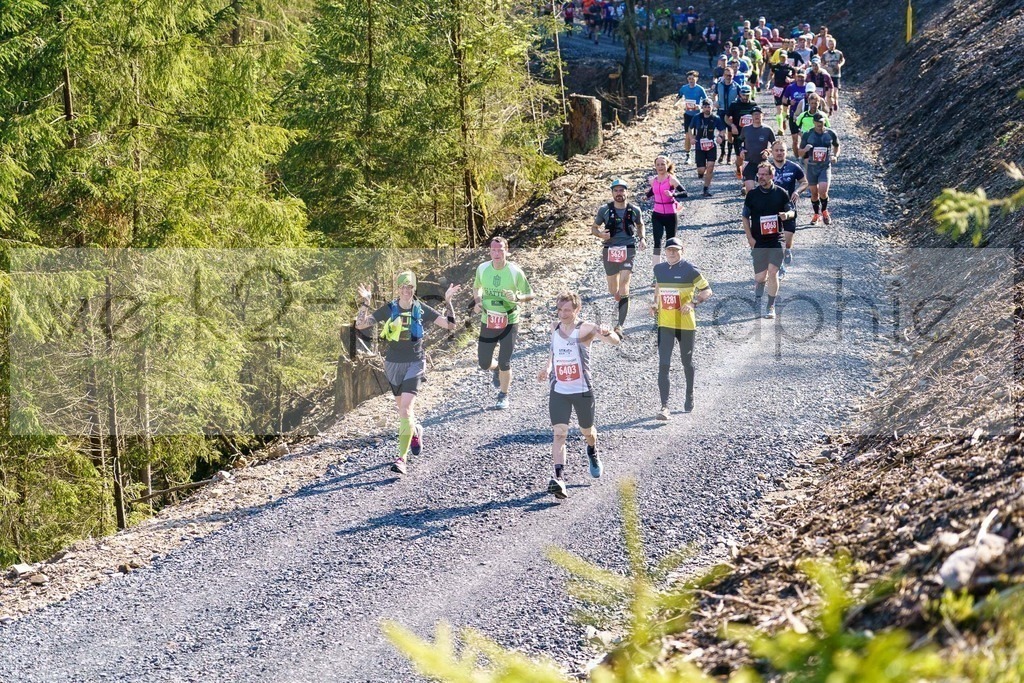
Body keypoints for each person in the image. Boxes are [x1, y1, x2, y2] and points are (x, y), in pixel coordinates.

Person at [355, 273, 461, 474]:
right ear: (398, 289)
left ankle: (401, 459)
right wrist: (366, 302)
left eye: (410, 287)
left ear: (414, 289)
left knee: (405, 410)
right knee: (405, 413)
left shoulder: (421, 309)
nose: (406, 290)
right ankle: (415, 431)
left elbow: (450, 325)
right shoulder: (390, 308)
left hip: (415, 362)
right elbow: (361, 325)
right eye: (403, 286)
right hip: (393, 364)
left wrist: (448, 302)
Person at [537, 291, 621, 499]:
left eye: (567, 310)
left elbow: (616, 342)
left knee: (587, 431)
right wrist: (547, 369)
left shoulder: (586, 329)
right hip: (559, 391)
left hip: (583, 391)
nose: (562, 314)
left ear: (577, 310)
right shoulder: (554, 327)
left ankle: (592, 450)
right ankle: (559, 479)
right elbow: (553, 350)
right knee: (559, 433)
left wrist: (608, 332)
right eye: (559, 309)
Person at [651, 237, 712, 419]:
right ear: (665, 251)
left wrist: (693, 303)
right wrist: (654, 304)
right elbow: (659, 287)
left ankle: (689, 394)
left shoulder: (690, 269)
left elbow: (707, 290)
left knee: (687, 362)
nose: (671, 253)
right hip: (665, 324)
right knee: (663, 364)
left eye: (675, 250)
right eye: (669, 250)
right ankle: (664, 407)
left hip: (685, 324)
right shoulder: (659, 269)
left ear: (682, 251)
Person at [473, 237, 535, 410]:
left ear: (507, 251)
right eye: (493, 250)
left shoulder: (515, 272)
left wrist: (517, 297)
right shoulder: (483, 268)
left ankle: (503, 395)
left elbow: (530, 294)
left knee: (505, 361)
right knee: (484, 362)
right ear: (489, 251)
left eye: (500, 250)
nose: (497, 253)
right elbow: (476, 287)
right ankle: (495, 369)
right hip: (489, 320)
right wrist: (478, 301)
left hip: (510, 321)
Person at [592, 179, 647, 336]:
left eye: (622, 190)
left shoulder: (635, 210)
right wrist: (600, 234)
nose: (619, 193)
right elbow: (594, 228)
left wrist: (642, 238)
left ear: (626, 192)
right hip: (610, 249)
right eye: (616, 191)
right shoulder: (604, 210)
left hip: (628, 249)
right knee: (613, 289)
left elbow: (640, 224)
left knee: (624, 285)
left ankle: (619, 326)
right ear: (612, 193)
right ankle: (619, 297)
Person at [743, 161, 795, 319]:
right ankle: (760, 290)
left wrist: (787, 215)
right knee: (760, 277)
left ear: (772, 176)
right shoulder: (751, 194)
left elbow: (792, 211)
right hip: (758, 240)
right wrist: (750, 238)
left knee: (773, 272)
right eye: (759, 174)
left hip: (775, 239)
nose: (761, 177)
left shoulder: (781, 193)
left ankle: (770, 305)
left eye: (765, 174)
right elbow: (745, 217)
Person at [768, 140, 807, 278]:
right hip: (771, 208)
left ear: (786, 152)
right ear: (772, 152)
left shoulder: (793, 167)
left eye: (782, 150)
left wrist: (797, 191)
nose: (779, 153)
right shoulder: (767, 168)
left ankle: (788, 250)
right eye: (777, 150)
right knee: (776, 239)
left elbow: (804, 182)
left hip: (789, 207)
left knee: (788, 239)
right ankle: (780, 267)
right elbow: (758, 183)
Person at [799, 112, 840, 225]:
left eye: (821, 122)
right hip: (812, 167)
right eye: (817, 122)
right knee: (814, 193)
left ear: (824, 122)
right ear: (814, 122)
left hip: (825, 167)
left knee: (823, 190)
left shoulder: (830, 133)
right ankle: (816, 215)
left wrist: (835, 156)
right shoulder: (808, 134)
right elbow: (799, 152)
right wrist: (805, 150)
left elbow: (837, 146)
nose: (819, 124)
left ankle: (825, 211)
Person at [645, 156, 687, 265]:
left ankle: (672, 266)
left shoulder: (671, 179)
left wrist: (673, 194)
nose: (660, 167)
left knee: (671, 243)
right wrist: (646, 196)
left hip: (670, 214)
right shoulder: (653, 180)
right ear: (655, 166)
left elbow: (685, 193)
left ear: (667, 165)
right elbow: (653, 191)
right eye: (658, 164)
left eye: (662, 164)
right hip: (657, 214)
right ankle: (656, 269)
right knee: (657, 242)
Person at [689, 99, 727, 196]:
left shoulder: (716, 118)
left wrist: (720, 137)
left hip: (711, 146)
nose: (707, 109)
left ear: (712, 107)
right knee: (701, 169)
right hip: (699, 146)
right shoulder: (697, 117)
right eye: (705, 107)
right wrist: (691, 138)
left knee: (710, 167)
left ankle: (706, 189)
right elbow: (690, 128)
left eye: (709, 106)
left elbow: (722, 130)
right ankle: (701, 172)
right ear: (702, 108)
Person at [739, 107, 776, 194]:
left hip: (763, 163)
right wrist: (741, 150)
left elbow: (774, 145)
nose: (757, 116)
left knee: (766, 189)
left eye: (759, 114)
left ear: (762, 116)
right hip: (749, 162)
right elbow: (739, 141)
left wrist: (768, 151)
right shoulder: (746, 129)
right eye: (755, 114)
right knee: (750, 191)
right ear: (751, 116)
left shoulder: (767, 129)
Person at [676, 71, 709, 165]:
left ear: (696, 79)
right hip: (688, 115)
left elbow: (706, 100)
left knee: (699, 135)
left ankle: (701, 155)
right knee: (688, 135)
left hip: (698, 115)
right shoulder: (684, 88)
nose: (691, 80)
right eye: (689, 79)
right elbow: (679, 96)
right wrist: (675, 104)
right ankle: (688, 155)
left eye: (692, 79)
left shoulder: (700, 89)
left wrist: (700, 106)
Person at [725, 84, 757, 180]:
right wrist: (732, 126)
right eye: (743, 95)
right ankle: (739, 169)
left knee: (749, 156)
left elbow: (758, 117)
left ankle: (747, 177)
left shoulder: (753, 105)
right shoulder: (734, 105)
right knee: (739, 157)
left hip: (751, 136)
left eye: (747, 95)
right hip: (738, 135)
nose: (745, 97)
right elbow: (726, 117)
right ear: (739, 94)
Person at [713, 68, 740, 162]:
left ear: (733, 75)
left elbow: (741, 98)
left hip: (731, 113)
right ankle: (722, 152)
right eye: (726, 75)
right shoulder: (719, 85)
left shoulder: (736, 86)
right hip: (721, 111)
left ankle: (729, 155)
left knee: (730, 134)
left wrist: (737, 106)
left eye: (730, 75)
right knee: (722, 133)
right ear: (723, 75)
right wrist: (715, 101)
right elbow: (715, 94)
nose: (728, 77)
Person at [769, 51, 795, 134]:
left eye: (784, 57)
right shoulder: (775, 67)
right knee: (778, 108)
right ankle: (780, 128)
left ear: (787, 57)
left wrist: (790, 80)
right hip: (777, 88)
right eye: (781, 57)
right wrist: (768, 82)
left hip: (787, 89)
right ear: (779, 57)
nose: (783, 59)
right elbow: (771, 74)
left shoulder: (790, 68)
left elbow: (796, 78)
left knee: (785, 108)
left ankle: (783, 119)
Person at [821, 37, 845, 110]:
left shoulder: (839, 53)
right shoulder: (825, 54)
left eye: (833, 44)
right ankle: (830, 107)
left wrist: (840, 65)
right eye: (830, 44)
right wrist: (825, 67)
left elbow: (842, 60)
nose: (832, 45)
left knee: (835, 91)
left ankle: (836, 102)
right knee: (828, 92)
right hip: (828, 75)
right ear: (828, 45)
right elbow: (822, 64)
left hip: (836, 74)